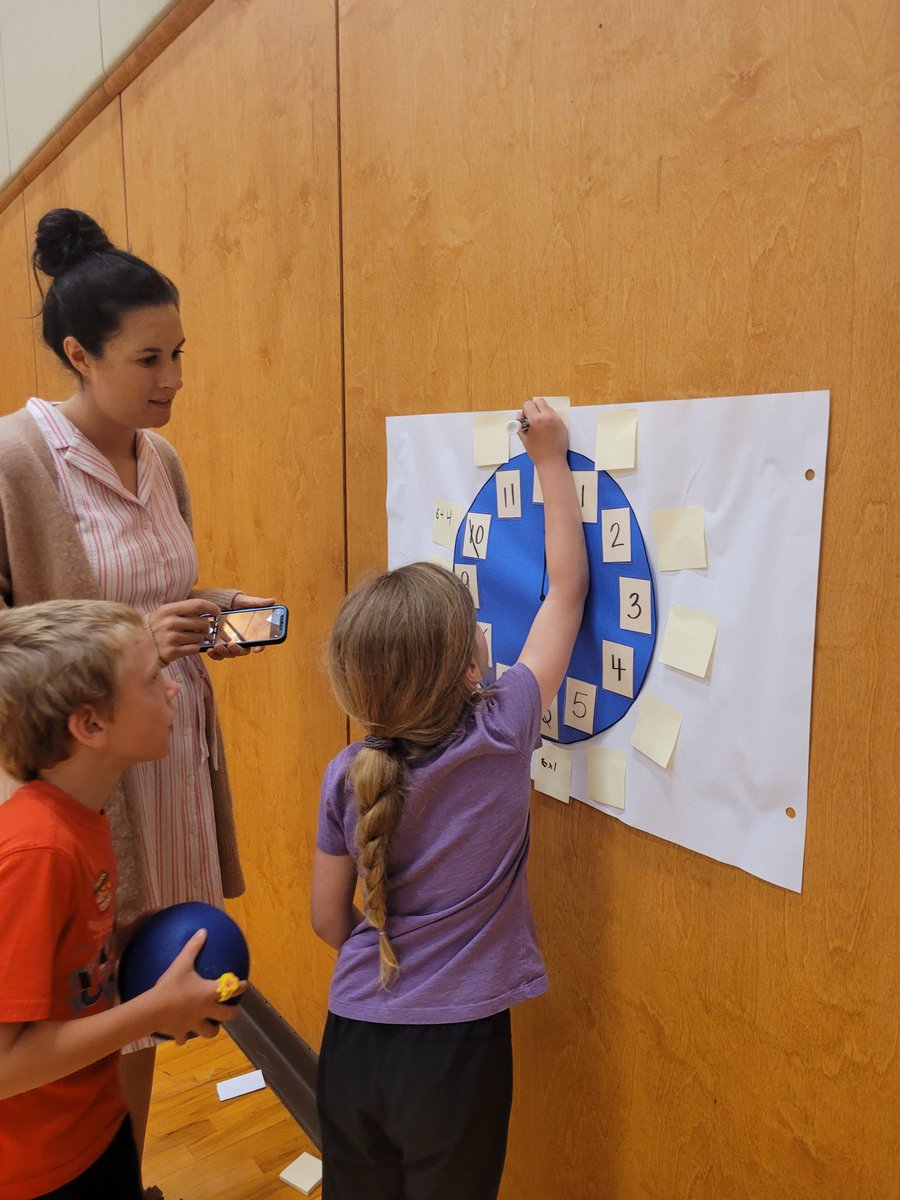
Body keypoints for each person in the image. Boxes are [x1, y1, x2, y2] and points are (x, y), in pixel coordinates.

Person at [0, 207, 270, 1157]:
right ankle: (75, 1167)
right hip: (80, 774)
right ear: (79, 352)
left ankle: (127, 1165)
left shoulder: (164, 461)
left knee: (153, 978)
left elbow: (158, 595)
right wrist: (128, 639)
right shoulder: (14, 461)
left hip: (167, 750)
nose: (174, 381)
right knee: (81, 983)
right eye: (149, 359)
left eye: (180, 354)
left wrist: (204, 618)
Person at [311, 397, 589, 1199]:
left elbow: (331, 922)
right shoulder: (503, 730)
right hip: (456, 1052)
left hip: (356, 1035)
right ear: (472, 670)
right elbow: (564, 595)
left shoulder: (346, 771)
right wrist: (551, 462)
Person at [0, 599, 246, 1200]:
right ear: (90, 726)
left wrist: (130, 938)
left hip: (95, 1121)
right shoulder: (36, 853)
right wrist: (152, 1011)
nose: (173, 690)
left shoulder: (82, 813)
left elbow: (67, 962)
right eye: (150, 679)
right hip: (37, 1171)